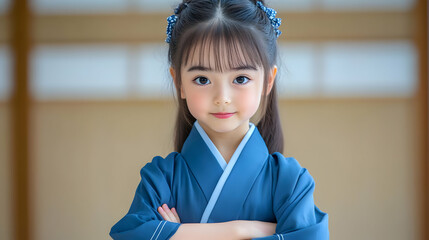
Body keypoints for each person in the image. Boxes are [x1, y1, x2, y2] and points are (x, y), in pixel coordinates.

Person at [110, 0, 329, 239]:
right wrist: (242, 230)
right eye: (203, 79)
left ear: (268, 80)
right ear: (178, 82)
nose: (222, 98)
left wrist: (177, 233)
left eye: (241, 78)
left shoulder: (290, 182)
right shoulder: (160, 179)